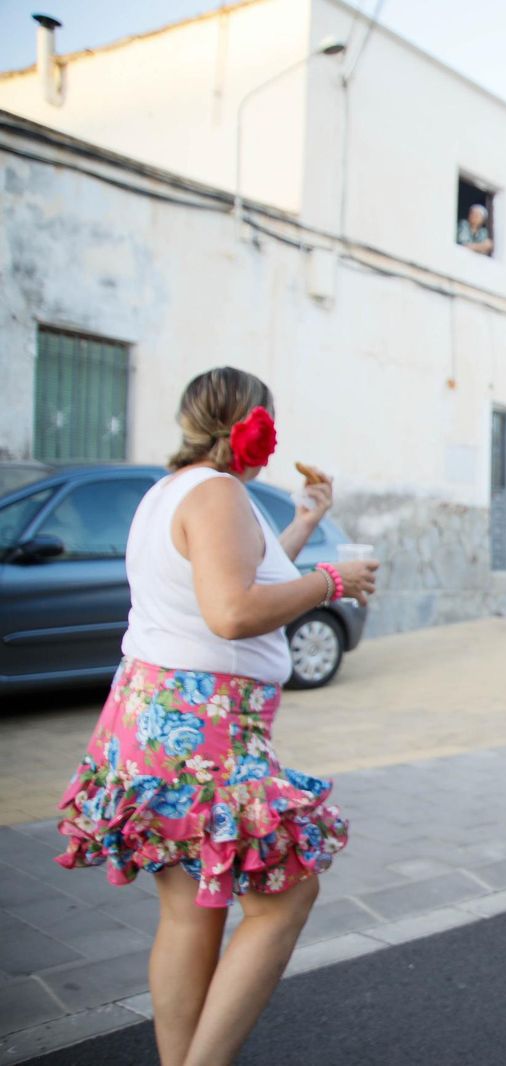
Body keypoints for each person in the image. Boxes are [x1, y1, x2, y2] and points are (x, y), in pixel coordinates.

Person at [53, 368, 379, 1066]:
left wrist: (304, 523)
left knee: (190, 912)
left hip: (150, 714)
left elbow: (240, 577)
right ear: (250, 424)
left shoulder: (171, 491)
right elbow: (231, 611)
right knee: (285, 898)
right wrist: (331, 581)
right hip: (203, 725)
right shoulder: (219, 492)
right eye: (271, 424)